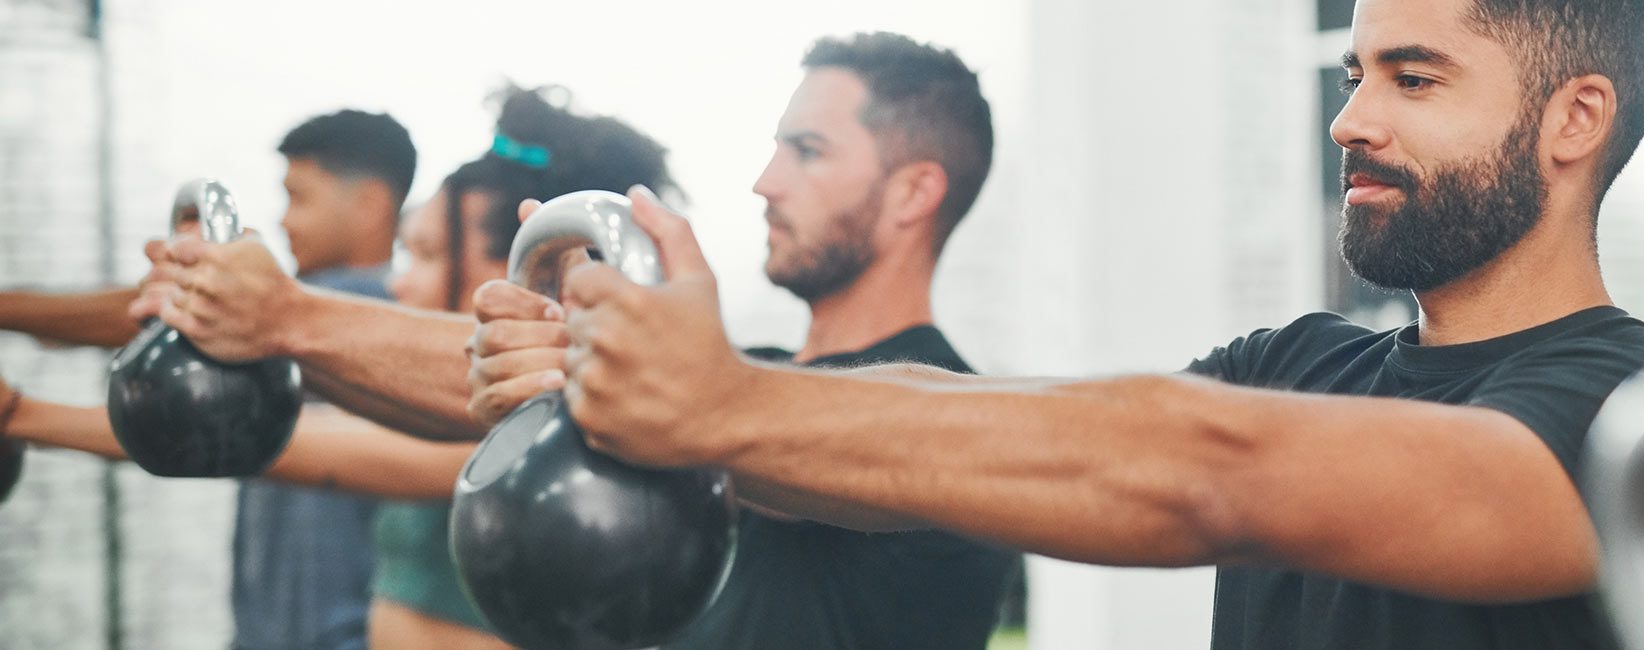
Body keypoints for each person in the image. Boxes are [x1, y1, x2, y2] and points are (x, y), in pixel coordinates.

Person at [466, 1, 1644, 649]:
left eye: (1411, 78)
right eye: (1354, 71)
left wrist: (726, 407)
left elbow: (1206, 472)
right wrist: (648, 388)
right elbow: (1010, 429)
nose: (1348, 118)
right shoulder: (1304, 364)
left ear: (1575, 121)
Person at [140, 33, 1020, 649]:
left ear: (914, 193)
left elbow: (733, 424)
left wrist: (292, 317)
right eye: (771, 149)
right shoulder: (745, 388)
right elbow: (521, 388)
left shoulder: (933, 424)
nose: (763, 182)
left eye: (807, 151)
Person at [2, 87, 678, 649]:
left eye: (428, 256)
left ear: (535, 275)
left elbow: (292, 444)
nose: (402, 284)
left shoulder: (544, 439)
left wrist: (25, 414)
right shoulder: (426, 384)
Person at [0, 108, 415, 650]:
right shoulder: (313, 315)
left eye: (299, 198)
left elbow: (172, 320)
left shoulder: (361, 308)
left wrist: (19, 405)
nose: (285, 221)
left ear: (368, 206)